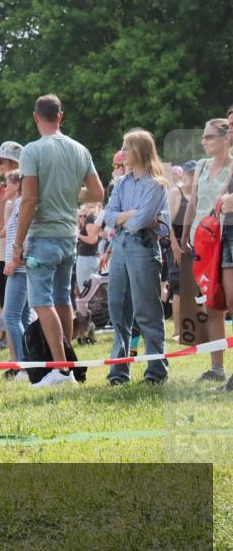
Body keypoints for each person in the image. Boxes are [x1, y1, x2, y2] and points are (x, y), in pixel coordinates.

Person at [12, 94, 104, 388]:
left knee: (41, 301)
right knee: (63, 298)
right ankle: (66, 362)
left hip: (43, 236)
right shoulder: (80, 149)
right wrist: (68, 194)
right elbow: (97, 193)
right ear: (60, 116)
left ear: (36, 117)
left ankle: (60, 369)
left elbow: (29, 200)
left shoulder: (32, 151)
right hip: (68, 236)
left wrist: (17, 245)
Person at [102, 129, 170, 386]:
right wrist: (132, 214)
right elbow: (109, 218)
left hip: (142, 249)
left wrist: (126, 217)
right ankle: (118, 372)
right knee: (118, 311)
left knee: (147, 311)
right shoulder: (120, 183)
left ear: (141, 151)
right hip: (119, 248)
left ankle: (156, 371)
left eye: (126, 148)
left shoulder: (157, 184)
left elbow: (137, 224)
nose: (122, 153)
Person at [180, 118, 233, 384]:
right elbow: (193, 203)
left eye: (209, 137)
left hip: (226, 239)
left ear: (226, 138)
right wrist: (184, 232)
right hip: (202, 243)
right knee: (212, 306)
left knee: (230, 301)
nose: (204, 141)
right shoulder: (200, 166)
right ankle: (216, 368)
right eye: (203, 136)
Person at [0, 171, 32, 379]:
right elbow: (1, 232)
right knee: (22, 317)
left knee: (10, 316)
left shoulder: (21, 205)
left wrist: (13, 261)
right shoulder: (16, 205)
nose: (3, 186)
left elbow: (25, 237)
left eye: (6, 183)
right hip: (22, 268)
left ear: (16, 185)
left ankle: (23, 365)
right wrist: (1, 202)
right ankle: (29, 361)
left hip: (20, 268)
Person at [0, 141, 23, 324]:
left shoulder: (17, 197)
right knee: (8, 312)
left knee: (13, 314)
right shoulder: (6, 192)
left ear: (14, 163)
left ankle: (18, 350)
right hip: (4, 256)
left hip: (13, 259)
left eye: (1, 161)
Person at [167, 160, 196, 339]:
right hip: (178, 243)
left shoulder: (198, 194)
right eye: (190, 174)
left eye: (196, 174)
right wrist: (175, 247)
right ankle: (178, 330)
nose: (193, 178)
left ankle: (192, 327)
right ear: (184, 174)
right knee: (178, 288)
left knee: (194, 288)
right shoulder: (176, 192)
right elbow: (168, 222)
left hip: (195, 244)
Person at [75, 203, 101, 291]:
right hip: (92, 257)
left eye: (84, 216)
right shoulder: (94, 217)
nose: (82, 218)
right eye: (80, 216)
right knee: (93, 292)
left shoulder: (90, 219)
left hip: (86, 258)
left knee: (85, 291)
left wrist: (79, 235)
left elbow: (93, 239)